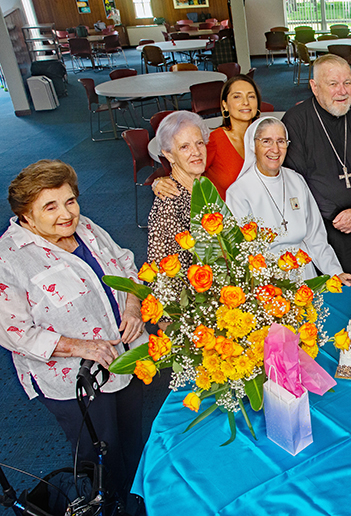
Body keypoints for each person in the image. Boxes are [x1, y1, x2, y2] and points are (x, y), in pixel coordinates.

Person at [0, 160, 148, 494]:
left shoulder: (86, 229)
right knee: (101, 455)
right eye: (50, 207)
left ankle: (139, 498)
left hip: (126, 354)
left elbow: (125, 263)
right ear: (26, 215)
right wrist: (82, 347)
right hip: (76, 380)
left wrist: (134, 304)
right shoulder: (9, 259)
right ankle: (110, 506)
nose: (66, 214)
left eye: (70, 201)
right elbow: (14, 332)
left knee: (132, 437)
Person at [226, 116, 351, 286]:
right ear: (252, 145)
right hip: (267, 282)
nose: (275, 149)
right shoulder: (238, 192)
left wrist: (336, 273)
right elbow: (244, 253)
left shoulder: (296, 180)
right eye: (266, 141)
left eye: (281, 141)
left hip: (304, 275)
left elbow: (316, 238)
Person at [282, 54, 351, 276]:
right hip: (313, 224)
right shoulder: (295, 121)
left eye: (347, 83)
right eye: (333, 84)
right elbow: (294, 179)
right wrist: (337, 216)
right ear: (314, 87)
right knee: (316, 289)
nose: (343, 91)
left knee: (349, 281)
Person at [152, 75, 262, 201]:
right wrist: (160, 182)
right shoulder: (213, 141)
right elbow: (183, 170)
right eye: (237, 96)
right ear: (225, 105)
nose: (246, 102)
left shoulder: (266, 138)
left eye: (251, 96)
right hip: (225, 216)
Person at [148, 111, 209, 270]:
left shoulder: (203, 187)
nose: (196, 152)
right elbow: (168, 276)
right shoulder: (168, 204)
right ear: (169, 155)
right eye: (184, 147)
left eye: (200, 143)